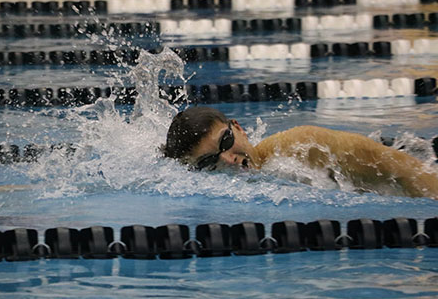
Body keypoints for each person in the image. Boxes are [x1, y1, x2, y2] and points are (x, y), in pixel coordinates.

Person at [163, 106, 438, 199]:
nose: (227, 159)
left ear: (239, 128)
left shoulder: (306, 147)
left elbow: (407, 171)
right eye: (210, 161)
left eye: (225, 142)